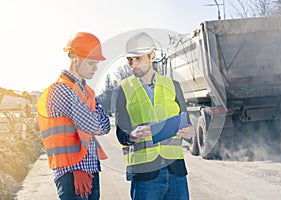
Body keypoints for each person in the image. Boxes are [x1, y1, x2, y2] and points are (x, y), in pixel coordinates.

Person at [115, 32, 194, 200]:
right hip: (145, 174)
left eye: (138, 59)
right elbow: (121, 133)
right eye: (129, 59)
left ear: (152, 56)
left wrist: (190, 132)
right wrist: (131, 136)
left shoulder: (174, 86)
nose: (133, 64)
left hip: (176, 171)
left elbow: (186, 124)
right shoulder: (123, 89)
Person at [36, 32, 110, 200]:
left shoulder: (87, 91)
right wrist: (75, 169)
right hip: (72, 175)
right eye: (92, 63)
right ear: (76, 59)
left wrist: (95, 120)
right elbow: (94, 126)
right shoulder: (61, 89)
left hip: (91, 169)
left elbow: (105, 127)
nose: (95, 68)